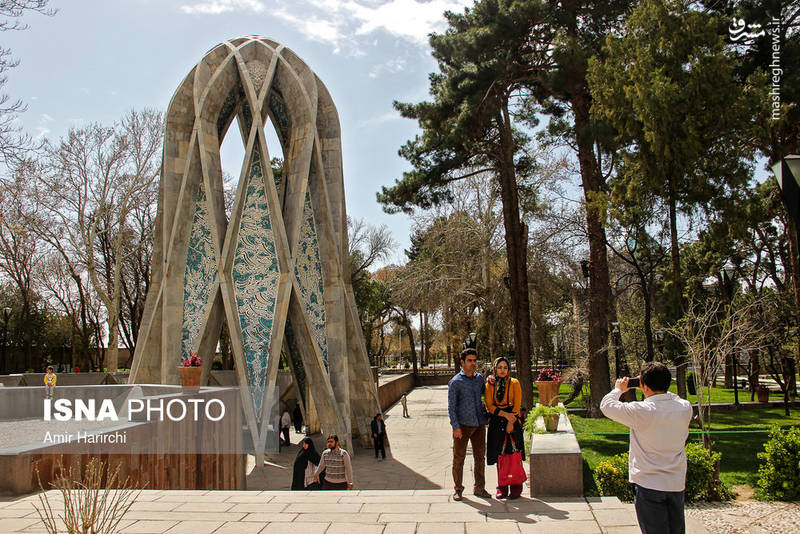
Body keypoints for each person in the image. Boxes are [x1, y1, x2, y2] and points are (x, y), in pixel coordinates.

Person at [600, 362, 692, 534]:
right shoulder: (684, 408)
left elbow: (606, 406)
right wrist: (655, 387)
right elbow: (672, 397)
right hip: (675, 482)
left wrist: (618, 389)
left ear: (645, 386)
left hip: (648, 483)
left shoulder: (642, 411)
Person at [448, 348, 491, 501]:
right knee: (459, 458)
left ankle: (479, 488)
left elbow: (486, 393)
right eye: (469, 361)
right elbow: (451, 407)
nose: (473, 363)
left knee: (480, 458)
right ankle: (458, 489)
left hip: (479, 424)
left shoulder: (479, 379)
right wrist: (456, 427)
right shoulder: (455, 382)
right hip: (463, 426)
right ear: (462, 363)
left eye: (474, 360)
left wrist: (491, 379)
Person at [485, 357, 525, 499]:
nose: (502, 370)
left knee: (513, 454)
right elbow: (489, 405)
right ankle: (502, 486)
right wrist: (504, 415)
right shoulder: (490, 384)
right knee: (500, 456)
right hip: (497, 421)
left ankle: (516, 485)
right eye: (500, 367)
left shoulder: (514, 383)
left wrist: (510, 421)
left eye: (505, 367)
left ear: (509, 369)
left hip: (512, 421)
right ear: (495, 369)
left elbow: (517, 404)